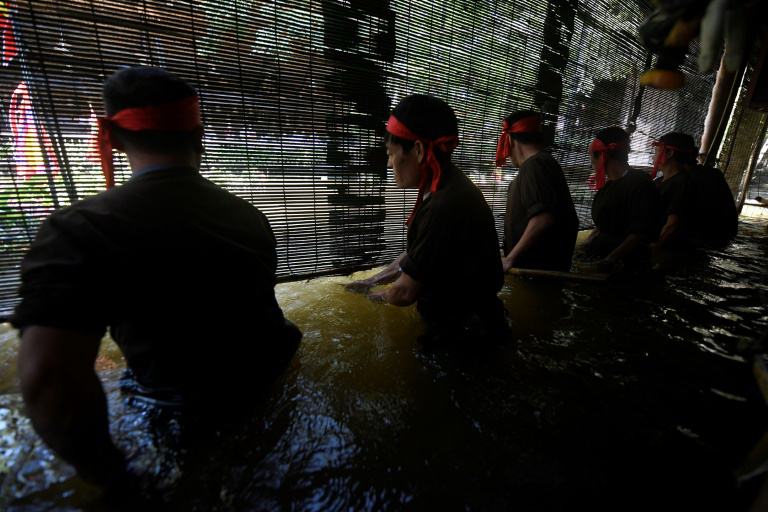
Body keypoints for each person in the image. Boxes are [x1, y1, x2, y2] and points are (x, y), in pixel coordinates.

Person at [13, 66, 302, 491]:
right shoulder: (248, 215)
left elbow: (46, 379)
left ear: (109, 137)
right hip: (276, 380)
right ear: (198, 133)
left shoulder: (81, 228)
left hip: (185, 414)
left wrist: (117, 482)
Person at [346, 94, 507, 346]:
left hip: (466, 334)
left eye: (390, 154)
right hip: (476, 321)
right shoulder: (451, 187)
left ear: (419, 150)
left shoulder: (444, 204)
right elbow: (416, 258)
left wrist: (359, 302)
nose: (389, 164)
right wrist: (371, 281)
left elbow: (404, 293)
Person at [495, 110, 579, 272]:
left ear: (509, 140)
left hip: (539, 274)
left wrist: (509, 260)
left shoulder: (534, 165)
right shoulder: (543, 163)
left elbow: (543, 219)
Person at [581, 127, 664, 266]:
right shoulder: (611, 185)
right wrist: (584, 244)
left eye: (591, 155)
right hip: (603, 253)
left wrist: (607, 262)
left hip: (626, 262)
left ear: (602, 156)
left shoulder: (640, 183)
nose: (590, 162)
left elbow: (640, 234)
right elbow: (605, 225)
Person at [649, 132, 700, 249]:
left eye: (656, 150)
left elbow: (672, 225)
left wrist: (656, 246)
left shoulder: (683, 183)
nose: (653, 156)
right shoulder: (659, 181)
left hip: (669, 248)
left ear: (670, 153)